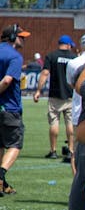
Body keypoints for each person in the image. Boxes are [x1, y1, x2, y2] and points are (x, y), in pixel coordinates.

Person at [0, 24, 31, 196]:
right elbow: (6, 81)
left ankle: (2, 184)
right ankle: (1, 175)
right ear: (12, 37)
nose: (23, 40)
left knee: (0, 145)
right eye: (21, 37)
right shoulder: (15, 56)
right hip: (9, 108)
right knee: (15, 144)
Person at [36, 34, 77, 162]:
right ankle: (71, 150)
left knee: (54, 122)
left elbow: (45, 73)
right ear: (69, 44)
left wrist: (38, 90)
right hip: (70, 94)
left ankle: (53, 151)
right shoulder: (73, 57)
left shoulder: (51, 56)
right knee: (70, 123)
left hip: (55, 94)